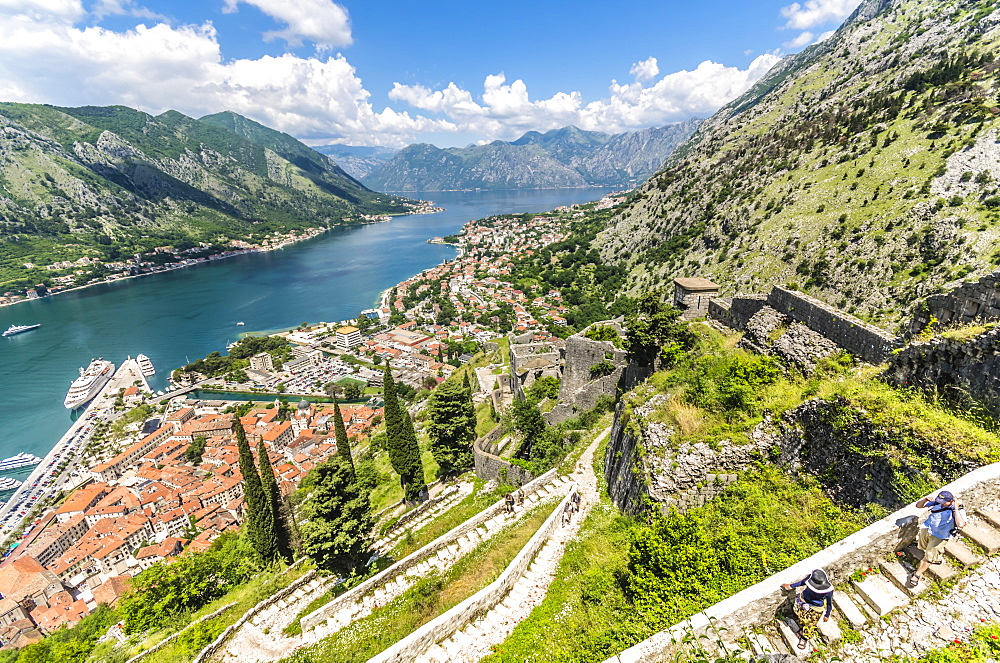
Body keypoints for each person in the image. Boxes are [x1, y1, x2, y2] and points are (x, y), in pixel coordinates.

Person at [908, 490, 966, 587]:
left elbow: (961, 524)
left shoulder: (958, 509)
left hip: (941, 535)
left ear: (951, 501)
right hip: (928, 528)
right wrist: (925, 499)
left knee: (929, 557)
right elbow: (918, 506)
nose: (941, 504)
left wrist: (956, 508)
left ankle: (917, 575)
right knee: (923, 547)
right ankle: (936, 555)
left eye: (944, 502)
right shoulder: (937, 503)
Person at [781, 569, 833, 649]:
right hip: (803, 600)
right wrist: (791, 586)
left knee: (810, 625)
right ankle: (800, 626)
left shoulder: (828, 591)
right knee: (798, 613)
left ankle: (804, 638)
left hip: (816, 608)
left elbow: (829, 603)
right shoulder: (811, 578)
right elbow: (803, 582)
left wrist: (827, 614)